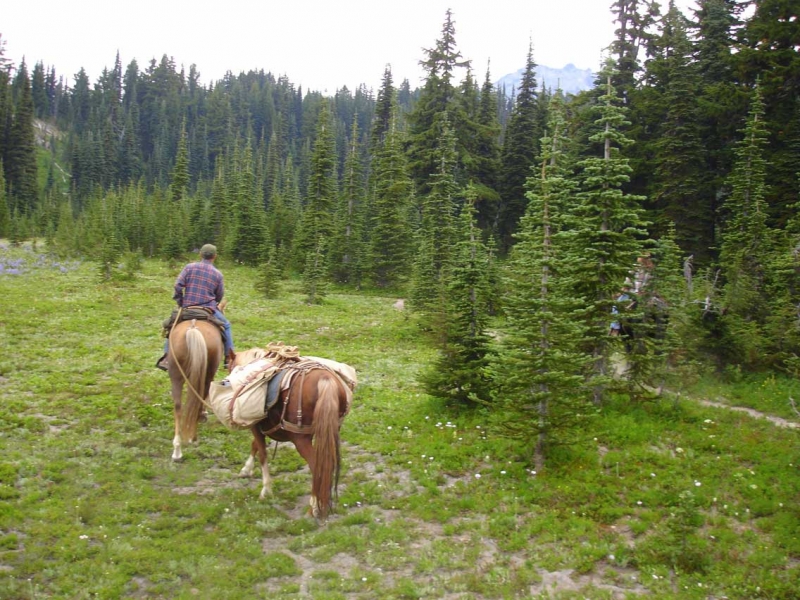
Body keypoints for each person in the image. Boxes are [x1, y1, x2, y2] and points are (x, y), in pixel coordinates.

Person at [156, 244, 235, 370]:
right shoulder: (218, 274)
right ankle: (228, 358)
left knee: (173, 325)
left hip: (188, 307)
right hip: (208, 308)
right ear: (214, 256)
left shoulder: (189, 268)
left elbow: (178, 286)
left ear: (200, 255)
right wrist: (214, 304)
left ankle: (166, 357)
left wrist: (181, 301)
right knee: (226, 325)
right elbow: (219, 294)